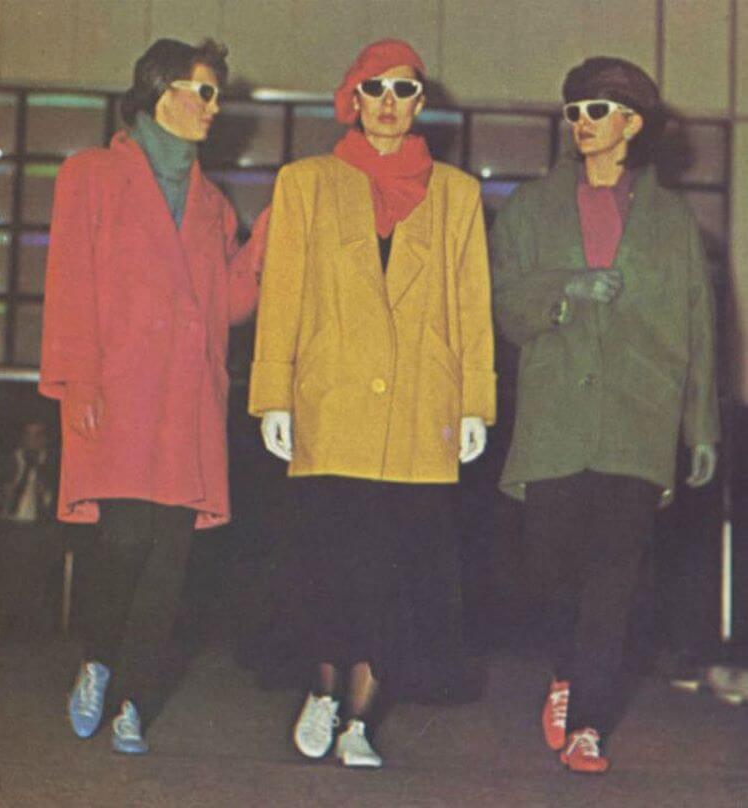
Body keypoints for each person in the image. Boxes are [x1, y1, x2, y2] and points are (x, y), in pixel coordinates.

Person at [248, 39, 495, 768]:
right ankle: (323, 694)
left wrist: (474, 403)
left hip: (421, 409)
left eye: (404, 89)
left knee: (398, 575)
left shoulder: (458, 194)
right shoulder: (304, 183)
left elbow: (472, 305)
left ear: (421, 103)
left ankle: (359, 721)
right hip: (331, 405)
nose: (389, 103)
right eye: (375, 88)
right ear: (352, 99)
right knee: (330, 565)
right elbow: (282, 295)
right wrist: (273, 395)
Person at [490, 56, 719, 773]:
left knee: (615, 582)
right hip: (555, 420)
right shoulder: (529, 208)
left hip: (637, 421)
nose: (582, 123)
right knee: (551, 573)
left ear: (632, 123)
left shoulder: (672, 221)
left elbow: (696, 326)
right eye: (575, 111)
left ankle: (587, 723)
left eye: (597, 110)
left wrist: (701, 427)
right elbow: (505, 304)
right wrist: (567, 289)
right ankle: (564, 675)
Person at [39, 38, 261, 754]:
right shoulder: (90, 175)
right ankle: (99, 661)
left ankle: (135, 699)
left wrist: (266, 242)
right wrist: (76, 380)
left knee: (170, 560)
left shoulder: (213, 204)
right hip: (118, 392)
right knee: (123, 540)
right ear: (162, 91)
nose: (214, 108)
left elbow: (228, 305)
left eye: (217, 95)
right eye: (205, 92)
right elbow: (69, 282)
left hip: (187, 402)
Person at [0, 418, 60, 634]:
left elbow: (57, 503)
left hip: (40, 528)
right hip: (9, 525)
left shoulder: (53, 465)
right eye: (28, 435)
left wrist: (45, 491)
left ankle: (31, 623)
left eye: (38, 435)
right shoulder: (8, 461)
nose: (33, 441)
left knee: (36, 569)